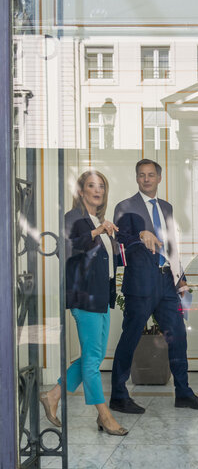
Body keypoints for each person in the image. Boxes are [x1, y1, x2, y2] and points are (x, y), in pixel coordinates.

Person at [109, 159, 198, 413]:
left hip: (167, 282)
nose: (146, 179)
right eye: (142, 175)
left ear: (159, 178)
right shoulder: (125, 206)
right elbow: (117, 242)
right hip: (141, 283)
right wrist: (139, 236)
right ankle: (119, 396)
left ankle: (184, 393)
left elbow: (171, 245)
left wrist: (181, 277)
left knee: (177, 336)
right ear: (136, 178)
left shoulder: (166, 207)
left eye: (151, 175)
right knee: (130, 338)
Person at [38, 170, 128, 436]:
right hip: (84, 297)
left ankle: (53, 395)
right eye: (91, 185)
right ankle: (104, 416)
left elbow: (107, 260)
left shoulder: (95, 220)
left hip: (101, 297)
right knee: (91, 362)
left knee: (94, 356)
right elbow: (65, 249)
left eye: (101, 185)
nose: (97, 190)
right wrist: (97, 231)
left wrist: (112, 236)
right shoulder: (73, 218)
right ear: (81, 191)